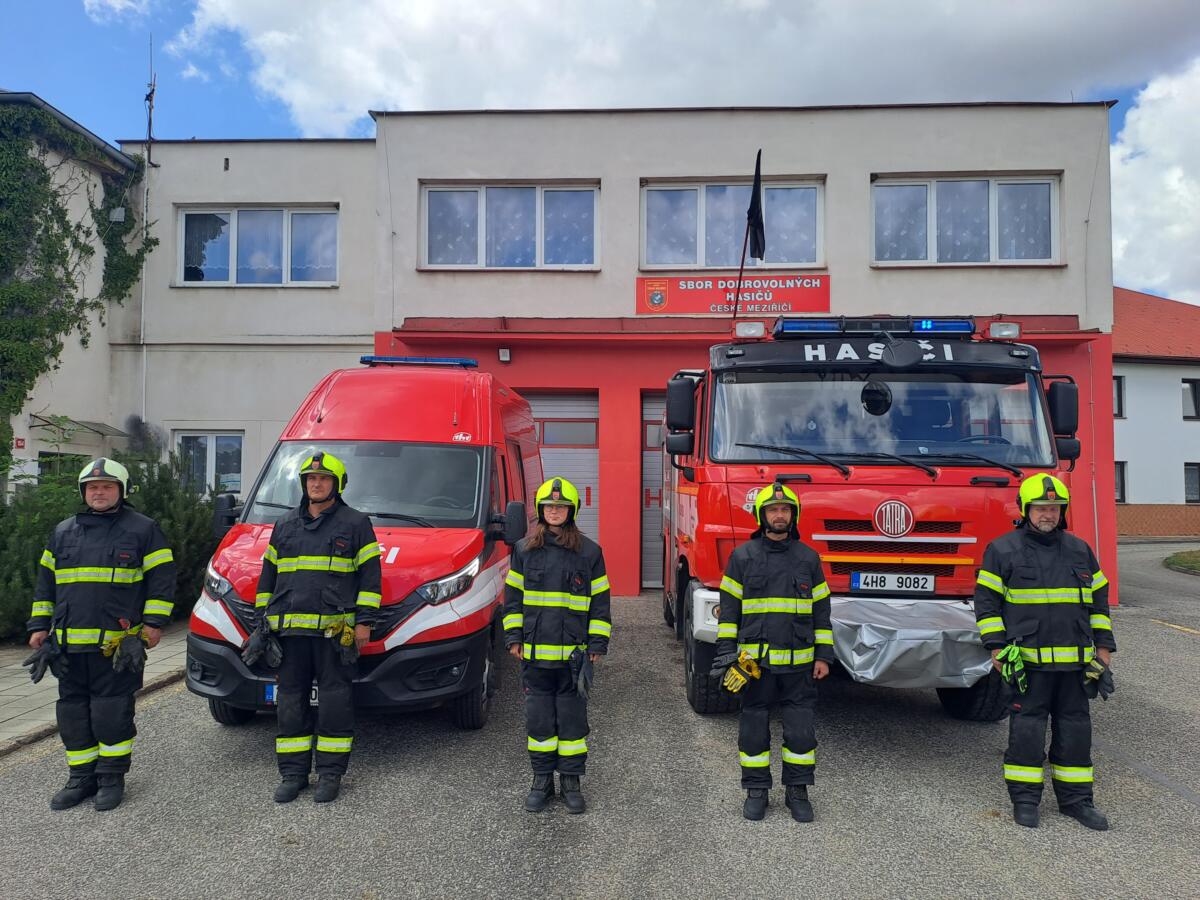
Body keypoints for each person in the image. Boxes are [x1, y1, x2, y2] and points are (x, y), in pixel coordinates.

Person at [27, 458, 176, 811]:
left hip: (117, 646)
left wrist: (154, 623)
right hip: (68, 646)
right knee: (73, 714)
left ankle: (111, 778)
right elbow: (46, 584)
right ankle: (81, 778)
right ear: (83, 492)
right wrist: (38, 626)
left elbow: (162, 579)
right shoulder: (63, 531)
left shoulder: (143, 529)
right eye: (92, 487)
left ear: (121, 491)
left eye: (107, 486)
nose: (99, 492)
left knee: (111, 713)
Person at [973, 473, 1116, 830]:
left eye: (1054, 508)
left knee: (1076, 734)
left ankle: (1077, 801)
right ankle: (1025, 801)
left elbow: (1099, 605)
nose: (1048, 514)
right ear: (1025, 509)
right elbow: (987, 605)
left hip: (1075, 666)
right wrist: (996, 648)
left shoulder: (1080, 550)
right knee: (1027, 733)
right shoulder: (1002, 550)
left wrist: (1104, 650)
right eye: (1040, 508)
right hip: (1028, 666)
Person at [252, 451, 381, 804]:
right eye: (310, 478)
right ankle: (293, 775)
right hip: (289, 634)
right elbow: (268, 578)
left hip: (334, 635)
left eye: (323, 479)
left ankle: (330, 774)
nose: (316, 483)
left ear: (337, 485)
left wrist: (364, 623)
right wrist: (262, 624)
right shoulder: (284, 525)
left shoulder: (356, 524)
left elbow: (370, 578)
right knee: (289, 704)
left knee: (335, 703)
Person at [712, 482, 833, 822]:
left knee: (801, 733)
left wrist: (823, 655)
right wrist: (727, 655)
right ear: (761, 515)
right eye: (772, 510)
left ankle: (798, 791)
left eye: (785, 510)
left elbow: (821, 611)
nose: (779, 515)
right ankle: (756, 791)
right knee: (753, 730)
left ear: (794, 515)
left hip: (800, 666)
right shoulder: (742, 558)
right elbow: (729, 612)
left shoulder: (808, 558)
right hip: (755, 666)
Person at [503, 477, 611, 814]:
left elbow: (600, 603)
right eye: (549, 506)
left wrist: (597, 642)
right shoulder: (523, 550)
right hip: (535, 657)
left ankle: (571, 783)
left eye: (561, 506)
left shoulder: (589, 553)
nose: (554, 511)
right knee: (539, 723)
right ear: (540, 510)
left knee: (572, 723)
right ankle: (541, 782)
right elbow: (513, 599)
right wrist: (513, 637)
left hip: (573, 660)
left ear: (571, 511)